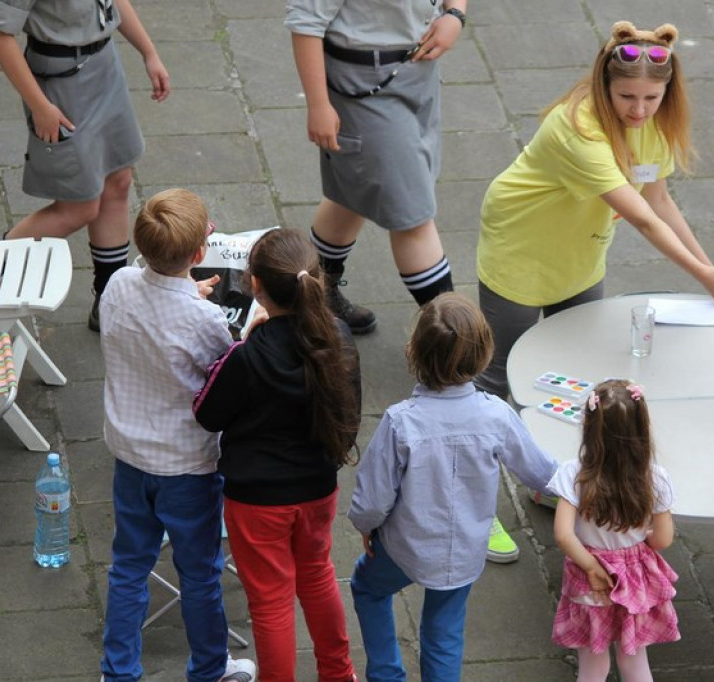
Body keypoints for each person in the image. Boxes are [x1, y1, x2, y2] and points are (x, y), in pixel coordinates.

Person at [474, 20, 714, 403]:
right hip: (523, 248)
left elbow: (659, 201)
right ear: (604, 85)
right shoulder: (578, 130)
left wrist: (709, 270)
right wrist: (702, 274)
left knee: (576, 364)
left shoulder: (655, 125)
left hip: (580, 252)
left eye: (652, 97)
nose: (639, 110)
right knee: (499, 372)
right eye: (626, 96)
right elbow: (643, 219)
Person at [347, 292, 558, 682]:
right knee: (444, 632)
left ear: (413, 351)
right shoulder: (497, 416)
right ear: (484, 355)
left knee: (368, 588)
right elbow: (542, 474)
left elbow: (373, 499)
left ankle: (386, 674)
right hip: (463, 551)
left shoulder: (400, 422)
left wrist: (365, 526)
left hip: (403, 547)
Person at [98, 189, 256, 681]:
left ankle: (118, 671)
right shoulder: (205, 319)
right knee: (200, 573)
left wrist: (188, 292)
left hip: (129, 454)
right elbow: (222, 374)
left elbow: (152, 315)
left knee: (129, 566)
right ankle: (210, 669)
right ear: (199, 252)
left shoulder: (118, 284)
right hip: (187, 466)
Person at [193, 228, 361, 682]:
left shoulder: (248, 356)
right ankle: (339, 674)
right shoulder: (339, 337)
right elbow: (349, 416)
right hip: (318, 488)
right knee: (318, 576)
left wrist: (240, 344)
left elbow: (207, 414)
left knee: (270, 602)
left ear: (255, 285)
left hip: (256, 502)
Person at [285, 0, 465, 335]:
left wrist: (455, 14)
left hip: (419, 72)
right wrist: (318, 105)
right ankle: (454, 341)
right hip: (362, 85)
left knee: (352, 195)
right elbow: (306, 21)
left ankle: (313, 297)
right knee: (412, 216)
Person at [0, 0, 171, 332]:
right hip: (61, 84)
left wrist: (149, 52)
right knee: (78, 208)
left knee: (118, 180)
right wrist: (40, 106)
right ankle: (0, 262)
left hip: (105, 66)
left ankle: (109, 302)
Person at [549, 379, 679, 681]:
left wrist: (592, 567)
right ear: (642, 428)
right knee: (634, 660)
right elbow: (663, 538)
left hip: (589, 581)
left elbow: (564, 535)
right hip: (635, 582)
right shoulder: (656, 478)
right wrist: (635, 547)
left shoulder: (574, 474)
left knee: (593, 666)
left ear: (588, 426)